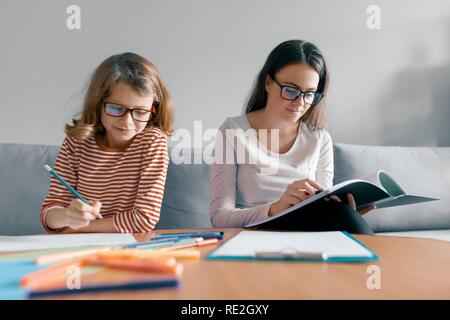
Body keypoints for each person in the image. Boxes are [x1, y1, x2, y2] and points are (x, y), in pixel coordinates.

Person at [209, 40, 375, 234]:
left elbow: (322, 203)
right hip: (255, 234)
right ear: (268, 83)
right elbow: (219, 217)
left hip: (307, 231)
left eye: (309, 94)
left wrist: (344, 209)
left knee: (344, 216)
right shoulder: (232, 131)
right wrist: (275, 208)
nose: (299, 102)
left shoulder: (319, 139)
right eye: (290, 90)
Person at [41, 52, 174, 233]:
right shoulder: (77, 142)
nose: (127, 123)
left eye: (141, 112)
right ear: (97, 104)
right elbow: (49, 216)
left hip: (127, 246)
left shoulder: (152, 142)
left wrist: (78, 229)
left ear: (154, 108)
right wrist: (66, 216)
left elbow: (144, 219)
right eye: (116, 108)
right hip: (79, 246)